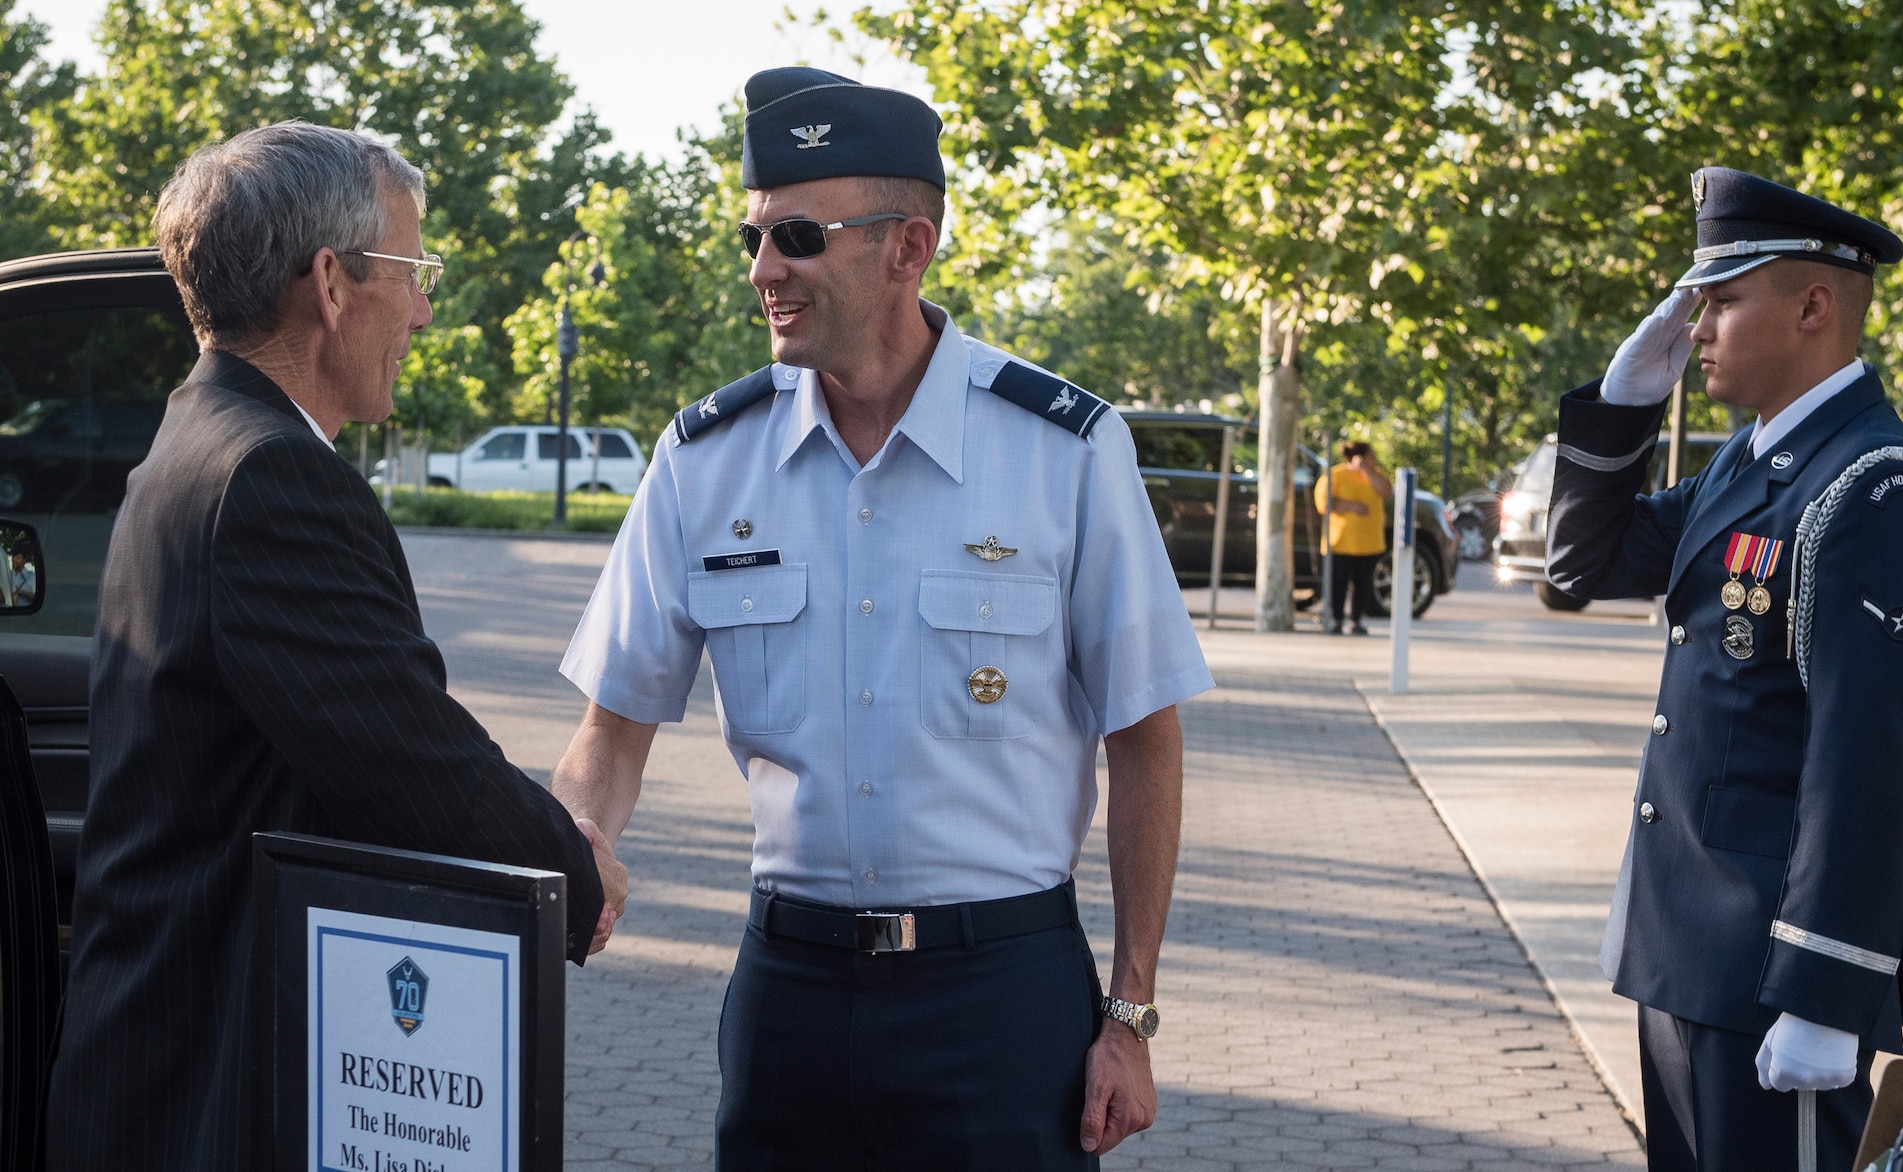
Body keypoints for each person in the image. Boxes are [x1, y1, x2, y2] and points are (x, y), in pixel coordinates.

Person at [553, 67, 1213, 1170]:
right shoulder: (703, 461)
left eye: (799, 237)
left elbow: (1143, 734)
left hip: (1000, 997)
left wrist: (1129, 1012)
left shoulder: (1061, 448)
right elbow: (610, 728)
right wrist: (574, 844)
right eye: (754, 238)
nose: (765, 270)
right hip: (788, 992)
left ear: (907, 246)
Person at [46, 123, 626, 1172]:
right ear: (329, 281)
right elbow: (412, 761)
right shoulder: (273, 479)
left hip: (154, 1049)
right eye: (412, 272)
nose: (423, 307)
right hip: (201, 1080)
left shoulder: (191, 441)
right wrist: (571, 870)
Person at [1546, 167, 1903, 1171]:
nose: (1694, 329)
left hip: (1772, 974)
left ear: (1812, 307)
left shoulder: (1875, 489)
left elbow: (1867, 769)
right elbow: (1576, 569)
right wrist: (1620, 406)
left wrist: (1822, 991)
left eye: (1721, 301)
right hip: (1684, 954)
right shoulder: (1751, 462)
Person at [1313, 440, 1391, 634]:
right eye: (1371, 456)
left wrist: (1367, 471)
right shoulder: (1336, 475)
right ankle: (1337, 619)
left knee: (1363, 583)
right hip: (1339, 541)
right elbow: (1324, 504)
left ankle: (1356, 620)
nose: (1375, 460)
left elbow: (1387, 491)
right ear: (1358, 457)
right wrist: (1350, 506)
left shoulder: (1376, 476)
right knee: (1338, 582)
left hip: (1369, 542)